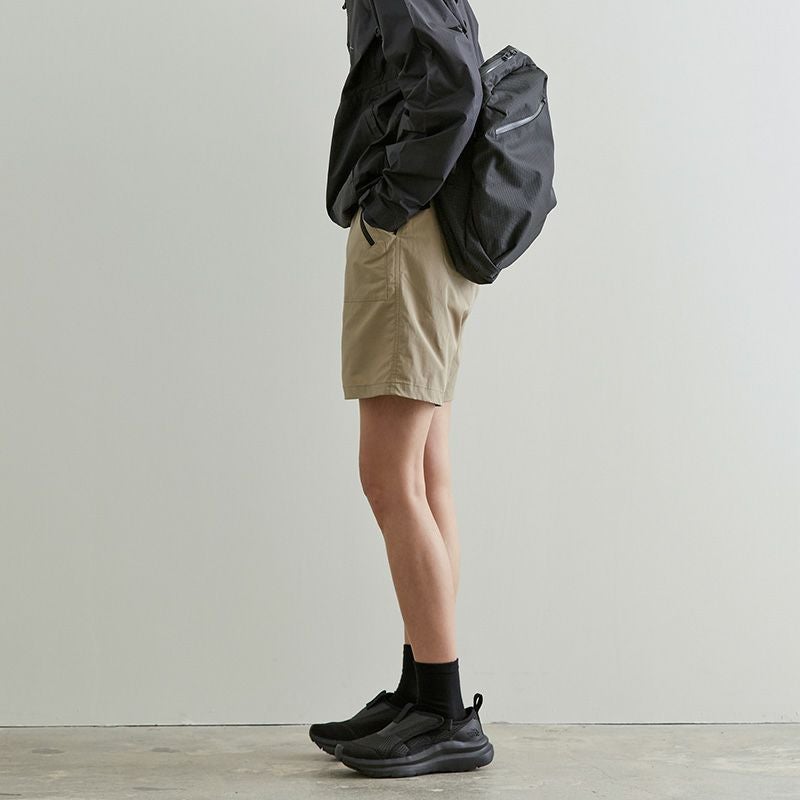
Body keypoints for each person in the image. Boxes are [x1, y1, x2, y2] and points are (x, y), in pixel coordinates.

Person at [309, 0, 494, 778]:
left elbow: (453, 86)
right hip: (435, 231)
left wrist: (388, 203)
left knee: (389, 477)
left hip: (410, 233)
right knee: (423, 474)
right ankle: (425, 685)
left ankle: (444, 711)